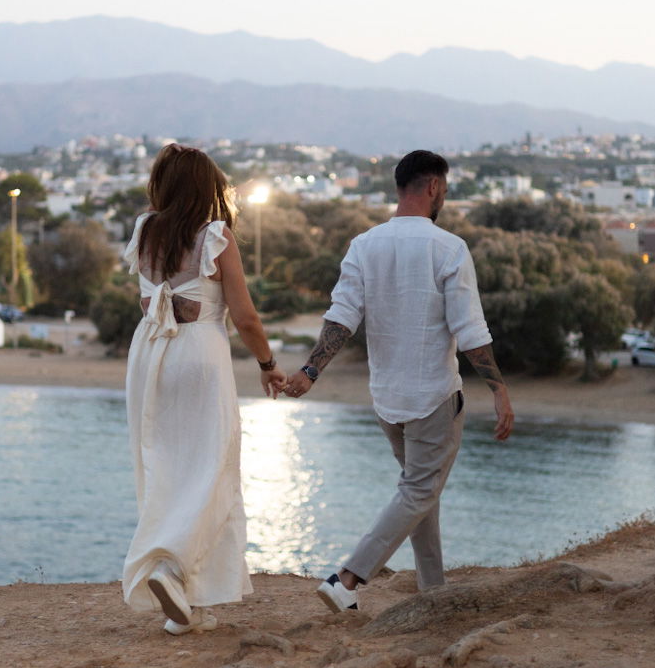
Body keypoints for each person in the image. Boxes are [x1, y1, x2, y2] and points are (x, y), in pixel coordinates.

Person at [284, 149, 514, 612]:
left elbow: (340, 319)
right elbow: (469, 331)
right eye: (444, 190)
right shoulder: (449, 248)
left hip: (386, 399)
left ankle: (433, 591)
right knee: (419, 491)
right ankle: (346, 578)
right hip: (433, 397)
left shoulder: (363, 245)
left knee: (418, 492)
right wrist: (499, 388)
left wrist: (310, 371)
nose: (443, 197)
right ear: (432, 187)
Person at [122, 143, 286, 636]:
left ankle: (194, 602)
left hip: (149, 355)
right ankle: (169, 570)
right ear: (208, 186)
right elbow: (246, 317)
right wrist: (268, 364)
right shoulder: (217, 236)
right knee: (211, 470)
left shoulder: (144, 229)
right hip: (198, 355)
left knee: (166, 467)